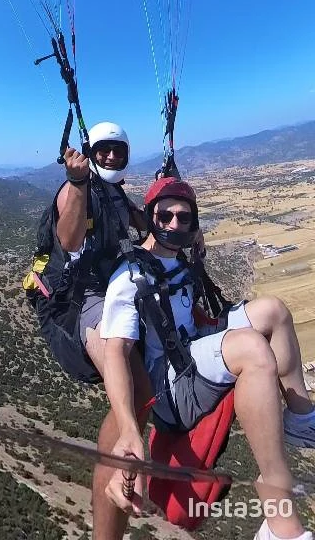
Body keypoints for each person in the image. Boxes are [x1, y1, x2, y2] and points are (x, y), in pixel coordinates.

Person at [100, 176, 315, 540]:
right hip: (171, 386)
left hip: (192, 347)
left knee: (274, 311)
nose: (174, 224)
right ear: (150, 217)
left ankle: (300, 419)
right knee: (252, 349)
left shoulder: (177, 259)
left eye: (185, 218)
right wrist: (128, 429)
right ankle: (279, 520)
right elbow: (115, 352)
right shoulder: (131, 277)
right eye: (165, 216)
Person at [24, 122, 205, 539]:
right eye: (102, 151)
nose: (109, 158)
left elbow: (147, 226)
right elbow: (68, 241)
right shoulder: (77, 191)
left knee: (146, 379)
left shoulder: (117, 198)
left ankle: (127, 446)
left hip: (110, 291)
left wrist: (181, 227)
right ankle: (121, 461)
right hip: (79, 301)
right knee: (134, 381)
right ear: (91, 153)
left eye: (116, 152)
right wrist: (76, 180)